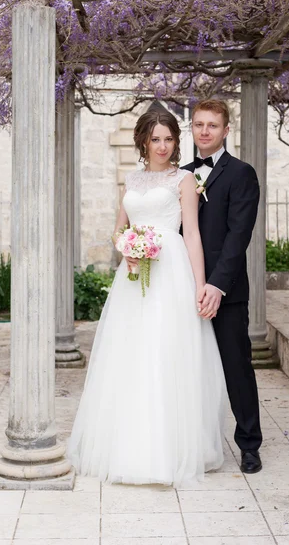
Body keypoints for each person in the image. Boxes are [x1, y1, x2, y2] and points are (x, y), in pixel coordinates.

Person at [67, 109, 227, 487]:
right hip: (135, 274)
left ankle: (171, 448)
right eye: (155, 139)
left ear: (176, 141)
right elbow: (119, 228)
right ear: (143, 141)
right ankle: (130, 446)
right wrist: (128, 249)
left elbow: (191, 235)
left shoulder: (185, 180)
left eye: (168, 139)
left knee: (166, 351)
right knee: (131, 352)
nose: (162, 146)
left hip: (171, 272)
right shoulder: (132, 179)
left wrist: (199, 285)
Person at [182, 99, 263, 474]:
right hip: (182, 290)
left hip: (226, 293)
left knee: (236, 367)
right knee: (186, 368)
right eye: (198, 124)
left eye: (212, 125)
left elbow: (238, 236)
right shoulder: (181, 175)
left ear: (226, 130)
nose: (204, 131)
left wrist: (216, 286)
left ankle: (249, 445)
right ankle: (189, 441)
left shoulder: (242, 173)